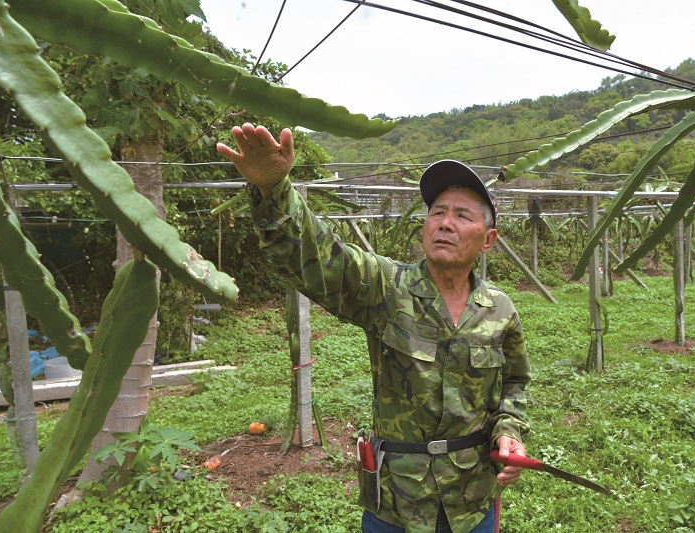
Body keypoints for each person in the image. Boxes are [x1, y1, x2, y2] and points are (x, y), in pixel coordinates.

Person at [217, 124, 531, 533]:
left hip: (472, 501)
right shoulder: (385, 286)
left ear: (487, 239)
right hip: (398, 503)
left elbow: (515, 384)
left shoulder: (500, 309)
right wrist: (273, 189)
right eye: (437, 212)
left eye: (461, 215)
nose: (445, 223)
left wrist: (509, 433)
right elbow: (320, 259)